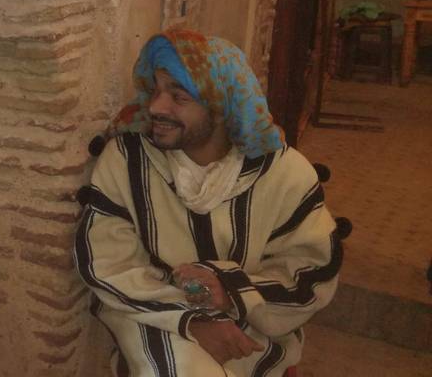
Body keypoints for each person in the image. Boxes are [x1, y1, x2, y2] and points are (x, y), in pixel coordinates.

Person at [74, 29, 342, 377]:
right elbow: (109, 264)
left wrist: (230, 291)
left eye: (178, 96)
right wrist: (192, 321)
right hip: (150, 314)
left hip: (251, 327)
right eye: (155, 89)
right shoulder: (127, 160)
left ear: (220, 106)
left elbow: (312, 272)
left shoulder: (286, 174)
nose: (156, 106)